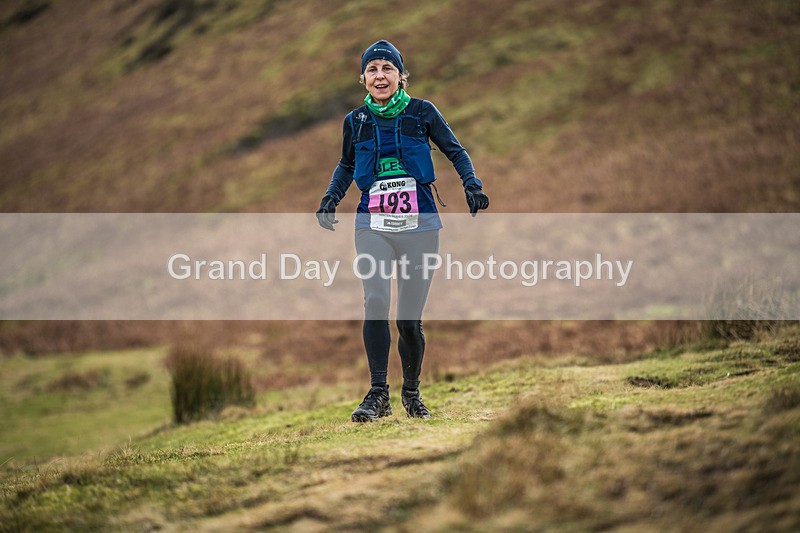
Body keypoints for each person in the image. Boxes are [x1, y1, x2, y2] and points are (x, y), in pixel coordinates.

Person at [316, 39, 489, 422]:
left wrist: (471, 184)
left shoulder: (422, 112)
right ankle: (378, 394)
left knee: (409, 319)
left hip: (421, 225)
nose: (380, 76)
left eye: (387, 69)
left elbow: (455, 150)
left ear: (400, 75)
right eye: (373, 69)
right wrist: (331, 198)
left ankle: (411, 393)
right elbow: (346, 165)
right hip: (372, 224)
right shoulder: (355, 121)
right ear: (363, 79)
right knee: (375, 300)